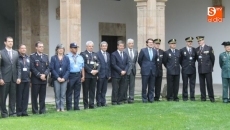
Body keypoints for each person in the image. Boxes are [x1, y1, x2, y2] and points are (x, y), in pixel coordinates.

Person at [0, 36, 21, 118]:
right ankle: (4, 113)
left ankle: (12, 112)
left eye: (12, 41)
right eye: (9, 41)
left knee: (13, 97)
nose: (11, 43)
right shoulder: (1, 52)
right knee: (3, 97)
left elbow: (18, 66)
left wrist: (19, 77)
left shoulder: (15, 53)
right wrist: (0, 78)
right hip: (4, 79)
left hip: (13, 79)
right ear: (5, 42)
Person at [30, 41, 49, 114]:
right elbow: (32, 68)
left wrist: (45, 74)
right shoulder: (32, 56)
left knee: (42, 96)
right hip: (35, 80)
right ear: (36, 47)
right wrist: (39, 75)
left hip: (43, 79)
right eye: (40, 47)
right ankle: (35, 110)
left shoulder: (45, 56)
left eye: (42, 46)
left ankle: (42, 110)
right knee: (34, 96)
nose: (41, 48)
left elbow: (48, 67)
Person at [50, 44, 70, 111]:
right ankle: (58, 107)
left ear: (64, 50)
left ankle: (62, 107)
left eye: (62, 49)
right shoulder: (53, 58)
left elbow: (68, 69)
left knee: (63, 94)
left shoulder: (66, 58)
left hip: (64, 79)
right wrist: (57, 77)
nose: (61, 50)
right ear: (57, 50)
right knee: (57, 93)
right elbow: (52, 69)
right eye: (59, 49)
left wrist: (64, 78)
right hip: (56, 79)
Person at [80, 41, 100, 109]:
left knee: (92, 90)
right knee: (85, 91)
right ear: (86, 47)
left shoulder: (95, 54)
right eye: (89, 46)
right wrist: (91, 71)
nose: (91, 47)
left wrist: (97, 70)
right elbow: (84, 64)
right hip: (87, 75)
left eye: (92, 46)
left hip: (94, 76)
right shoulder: (83, 54)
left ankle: (91, 104)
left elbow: (98, 63)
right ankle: (86, 105)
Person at [195, 36, 215, 102]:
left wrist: (210, 66)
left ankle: (211, 98)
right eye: (198, 41)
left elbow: (212, 58)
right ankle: (203, 98)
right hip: (201, 69)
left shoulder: (209, 48)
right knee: (202, 84)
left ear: (203, 41)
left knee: (209, 84)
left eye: (200, 41)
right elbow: (198, 59)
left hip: (208, 69)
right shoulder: (197, 49)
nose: (199, 42)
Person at [66, 43, 84, 111]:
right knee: (69, 92)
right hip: (71, 75)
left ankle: (76, 106)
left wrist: (83, 76)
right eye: (74, 48)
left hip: (78, 75)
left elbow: (82, 67)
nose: (75, 49)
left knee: (77, 92)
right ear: (70, 48)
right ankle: (69, 107)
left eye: (76, 48)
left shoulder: (80, 57)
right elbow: (66, 68)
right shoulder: (67, 57)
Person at [138, 38, 157, 103]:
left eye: (152, 42)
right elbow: (139, 60)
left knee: (151, 86)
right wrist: (144, 66)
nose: (151, 43)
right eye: (149, 42)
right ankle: (144, 98)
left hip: (153, 71)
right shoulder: (143, 50)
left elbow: (155, 61)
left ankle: (151, 98)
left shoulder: (155, 51)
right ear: (147, 43)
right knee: (144, 86)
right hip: (145, 71)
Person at [111, 40, 129, 105]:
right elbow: (113, 64)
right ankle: (114, 101)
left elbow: (127, 63)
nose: (122, 47)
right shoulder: (113, 54)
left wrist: (125, 71)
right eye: (120, 46)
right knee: (115, 89)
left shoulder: (125, 54)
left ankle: (119, 100)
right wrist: (120, 71)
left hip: (124, 74)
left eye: (123, 46)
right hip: (116, 74)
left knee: (122, 88)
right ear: (117, 46)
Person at [180, 37, 197, 101]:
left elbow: (195, 59)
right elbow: (180, 60)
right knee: (185, 84)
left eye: (191, 42)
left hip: (192, 69)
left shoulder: (194, 50)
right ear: (186, 42)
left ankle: (192, 97)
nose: (190, 43)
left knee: (192, 84)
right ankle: (185, 97)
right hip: (185, 69)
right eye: (189, 42)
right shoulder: (182, 50)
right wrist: (184, 66)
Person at [16, 44, 30, 116]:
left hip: (27, 80)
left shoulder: (28, 58)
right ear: (19, 50)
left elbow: (29, 68)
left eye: (25, 48)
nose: (24, 49)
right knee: (19, 96)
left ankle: (24, 111)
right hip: (20, 80)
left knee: (25, 96)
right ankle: (19, 111)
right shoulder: (17, 58)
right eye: (22, 48)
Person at [96, 41, 111, 107]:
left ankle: (103, 102)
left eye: (106, 46)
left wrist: (109, 74)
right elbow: (96, 65)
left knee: (104, 90)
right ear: (100, 47)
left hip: (106, 75)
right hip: (100, 75)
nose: (104, 47)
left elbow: (109, 65)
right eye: (103, 46)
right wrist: (97, 74)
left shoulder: (108, 54)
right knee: (99, 89)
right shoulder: (97, 54)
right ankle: (98, 102)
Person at [124, 38, 138, 103]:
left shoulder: (135, 51)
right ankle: (125, 98)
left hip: (133, 70)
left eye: (132, 43)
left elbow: (135, 61)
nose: (131, 45)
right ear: (127, 44)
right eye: (130, 43)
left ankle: (131, 98)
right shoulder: (124, 51)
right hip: (126, 70)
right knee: (125, 85)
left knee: (132, 85)